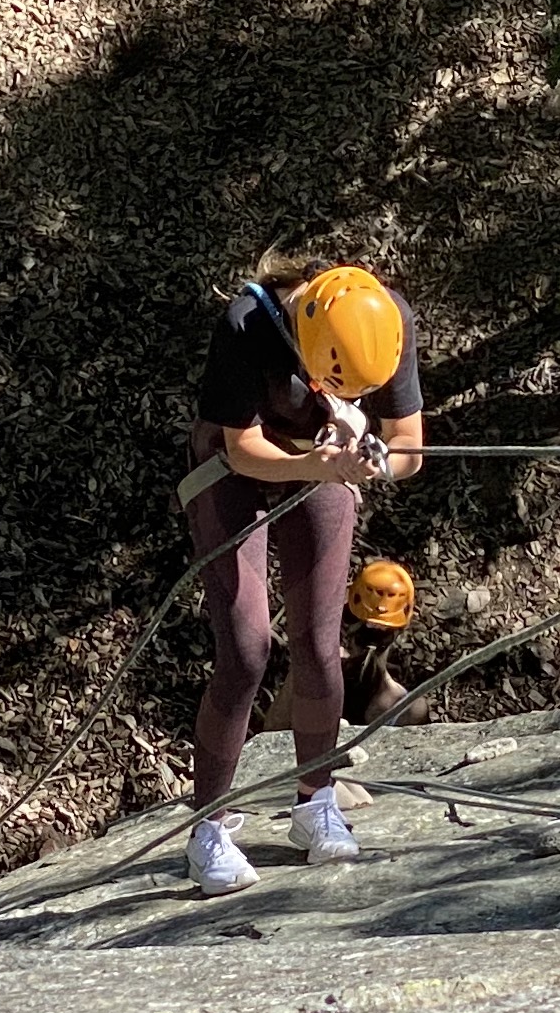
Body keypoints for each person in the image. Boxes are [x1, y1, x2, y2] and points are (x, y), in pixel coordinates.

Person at [177, 265, 428, 895]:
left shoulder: (384, 323)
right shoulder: (248, 323)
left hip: (323, 456)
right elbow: (241, 448)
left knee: (320, 645)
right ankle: (209, 827)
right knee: (246, 649)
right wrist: (317, 462)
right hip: (235, 470)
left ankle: (316, 803)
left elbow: (409, 444)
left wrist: (372, 463)